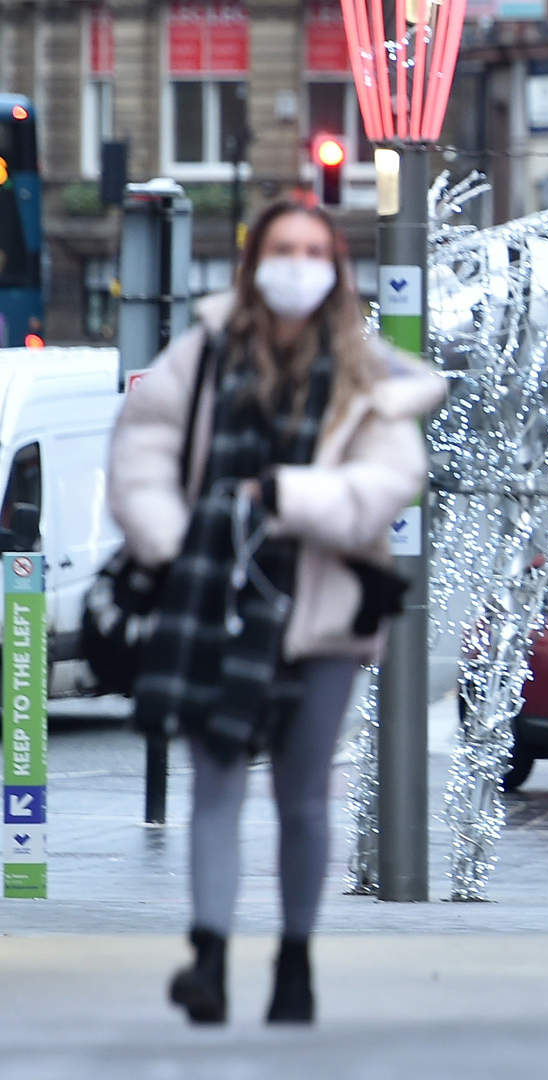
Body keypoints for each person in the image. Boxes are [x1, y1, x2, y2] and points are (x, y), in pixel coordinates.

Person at [107, 200, 444, 1026]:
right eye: (282, 249)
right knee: (215, 781)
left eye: (313, 250)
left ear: (337, 267)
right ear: (255, 263)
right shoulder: (205, 353)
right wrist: (177, 542)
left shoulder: (367, 371)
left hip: (324, 606)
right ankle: (210, 957)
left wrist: (289, 499)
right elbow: (140, 454)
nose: (297, 263)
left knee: (302, 793)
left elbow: (386, 484)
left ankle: (295, 960)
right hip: (210, 596)